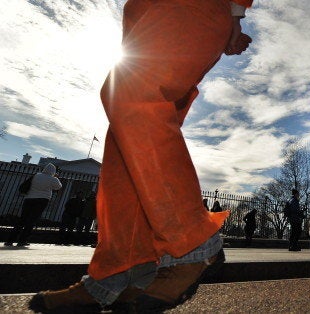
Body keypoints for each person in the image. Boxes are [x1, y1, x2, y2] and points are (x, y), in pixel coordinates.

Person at [28, 1, 254, 312]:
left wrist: (235, 11)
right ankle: (122, 273)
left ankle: (194, 243)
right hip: (144, 11)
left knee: (133, 88)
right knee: (127, 144)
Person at [5, 163, 62, 247]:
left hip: (29, 198)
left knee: (22, 219)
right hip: (42, 200)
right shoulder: (53, 179)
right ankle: (22, 240)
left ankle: (10, 240)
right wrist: (56, 177)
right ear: (53, 171)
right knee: (32, 220)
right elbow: (58, 187)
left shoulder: (36, 175)